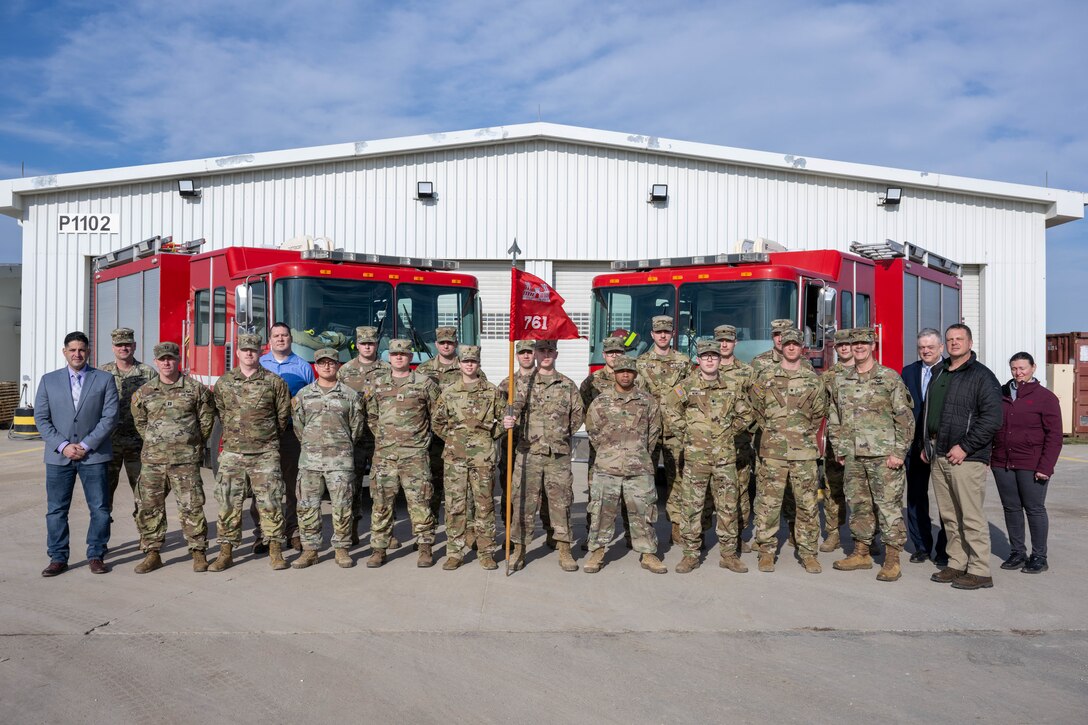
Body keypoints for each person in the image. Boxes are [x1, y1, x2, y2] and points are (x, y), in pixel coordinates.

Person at [828, 328, 915, 582]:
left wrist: (899, 452)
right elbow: (835, 416)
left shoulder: (889, 378)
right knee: (858, 505)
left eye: (864, 343)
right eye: (855, 344)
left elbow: (905, 418)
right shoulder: (842, 381)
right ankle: (862, 552)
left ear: (873, 345)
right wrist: (840, 448)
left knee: (888, 507)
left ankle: (892, 559)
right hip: (853, 455)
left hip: (883, 456)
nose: (858, 348)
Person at [923, 324, 1003, 590]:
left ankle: (980, 570)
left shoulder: (982, 376)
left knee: (970, 516)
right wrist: (927, 443)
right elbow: (930, 412)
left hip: (965, 458)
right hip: (939, 453)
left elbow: (992, 419)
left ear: (969, 342)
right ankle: (957, 563)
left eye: (960, 339)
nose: (955, 343)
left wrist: (966, 447)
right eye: (950, 339)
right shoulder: (940, 372)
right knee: (949, 516)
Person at [35, 331, 120, 576]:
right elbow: (41, 418)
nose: (77, 354)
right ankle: (58, 557)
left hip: (93, 456)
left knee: (100, 509)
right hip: (58, 456)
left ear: (88, 352)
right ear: (64, 352)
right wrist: (63, 445)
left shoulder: (103, 379)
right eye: (72, 350)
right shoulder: (48, 381)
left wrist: (86, 444)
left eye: (81, 349)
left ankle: (96, 554)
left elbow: (110, 417)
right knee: (56, 510)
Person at [665, 340, 752, 574]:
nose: (710, 360)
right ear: (698, 360)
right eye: (705, 356)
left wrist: (728, 432)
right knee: (692, 506)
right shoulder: (687, 385)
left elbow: (746, 414)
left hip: (724, 458)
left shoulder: (731, 387)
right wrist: (687, 433)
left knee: (727, 506)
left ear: (719, 359)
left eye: (714, 356)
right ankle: (690, 555)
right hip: (696, 458)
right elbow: (670, 409)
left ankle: (728, 554)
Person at [129, 342, 217, 573]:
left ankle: (198, 552)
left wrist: (188, 444)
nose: (166, 362)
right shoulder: (144, 392)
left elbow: (205, 422)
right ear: (156, 362)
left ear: (179, 360)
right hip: (153, 461)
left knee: (192, 507)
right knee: (149, 507)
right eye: (162, 359)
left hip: (185, 461)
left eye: (171, 358)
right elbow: (140, 423)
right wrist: (158, 442)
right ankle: (152, 552)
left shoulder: (195, 390)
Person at [209, 333, 292, 571]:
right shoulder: (224, 383)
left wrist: (263, 437)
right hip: (233, 453)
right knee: (228, 503)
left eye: (253, 350)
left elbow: (282, 417)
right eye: (244, 350)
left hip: (265, 453)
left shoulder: (274, 382)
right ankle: (226, 552)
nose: (249, 354)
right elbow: (221, 414)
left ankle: (275, 550)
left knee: (271, 503)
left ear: (260, 353)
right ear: (237, 353)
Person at [748, 328, 827, 573]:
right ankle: (766, 552)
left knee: (807, 505)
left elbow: (818, 414)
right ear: (781, 346)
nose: (791, 348)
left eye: (796, 344)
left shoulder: (813, 379)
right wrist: (775, 432)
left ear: (802, 347)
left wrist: (798, 433)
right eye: (787, 344)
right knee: (768, 504)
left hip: (803, 452)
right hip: (772, 452)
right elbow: (757, 410)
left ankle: (808, 553)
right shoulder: (765, 377)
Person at [502, 339, 585, 572]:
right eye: (542, 350)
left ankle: (564, 549)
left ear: (556, 354)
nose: (546, 354)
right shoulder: (521, 384)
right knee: (522, 503)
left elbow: (578, 414)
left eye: (550, 350)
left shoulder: (567, 385)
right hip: (528, 454)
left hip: (557, 456)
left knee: (561, 503)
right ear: (535, 354)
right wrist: (509, 421)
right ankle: (519, 549)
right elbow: (508, 411)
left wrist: (560, 436)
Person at [583, 357, 666, 574]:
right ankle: (597, 551)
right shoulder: (601, 402)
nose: (625, 374)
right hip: (607, 467)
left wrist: (638, 454)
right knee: (602, 511)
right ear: (614, 374)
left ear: (636, 374)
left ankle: (648, 553)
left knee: (644, 511)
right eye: (621, 371)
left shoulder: (647, 401)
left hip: (638, 467)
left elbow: (654, 432)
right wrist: (609, 452)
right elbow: (593, 431)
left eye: (629, 371)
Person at [365, 338, 440, 568]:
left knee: (420, 501)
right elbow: (372, 417)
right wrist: (386, 439)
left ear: (410, 357)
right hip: (385, 455)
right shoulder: (377, 384)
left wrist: (420, 441)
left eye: (404, 354)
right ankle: (379, 548)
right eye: (395, 354)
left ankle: (425, 547)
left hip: (415, 455)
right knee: (381, 503)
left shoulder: (425, 383)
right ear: (389, 357)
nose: (399, 357)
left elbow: (436, 415)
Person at [291, 348, 365, 569]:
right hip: (310, 461)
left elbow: (356, 429)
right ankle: (310, 550)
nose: (327, 366)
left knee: (342, 506)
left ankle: (341, 549)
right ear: (315, 366)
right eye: (322, 363)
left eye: (331, 363)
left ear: (338, 365)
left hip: (340, 462)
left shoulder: (350, 395)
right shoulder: (304, 395)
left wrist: (340, 446)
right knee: (307, 506)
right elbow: (298, 427)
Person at [432, 345, 504, 570]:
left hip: (483, 458)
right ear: (460, 364)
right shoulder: (450, 392)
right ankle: (455, 552)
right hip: (455, 458)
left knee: (484, 506)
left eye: (473, 361)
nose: (469, 364)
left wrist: (487, 436)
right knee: (455, 506)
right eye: (465, 361)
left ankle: (486, 551)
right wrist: (455, 439)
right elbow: (438, 422)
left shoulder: (492, 392)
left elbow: (503, 420)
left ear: (478, 364)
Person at [991, 352, 1062, 574]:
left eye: (1022, 368)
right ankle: (1017, 553)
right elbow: (991, 425)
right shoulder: (1001, 394)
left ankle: (1039, 556)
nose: (1018, 372)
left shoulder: (1045, 398)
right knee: (1011, 508)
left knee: (1034, 509)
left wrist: (1046, 467)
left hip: (1032, 463)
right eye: (1014, 368)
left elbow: (1054, 436)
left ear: (1033, 368)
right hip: (1003, 462)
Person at [257, 321, 315, 553]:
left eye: (285, 335)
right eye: (276, 335)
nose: (281, 339)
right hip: (264, 436)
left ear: (291, 339)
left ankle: (293, 532)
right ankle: (263, 534)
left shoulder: (303, 367)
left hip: (291, 435)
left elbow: (310, 402)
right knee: (263, 488)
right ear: (270, 340)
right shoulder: (259, 364)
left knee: (293, 487)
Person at [635, 315, 692, 542]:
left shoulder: (683, 361)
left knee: (677, 479)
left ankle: (676, 527)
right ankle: (644, 530)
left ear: (672, 334)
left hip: (675, 430)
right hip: (649, 430)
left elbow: (690, 392)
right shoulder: (641, 362)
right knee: (645, 480)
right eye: (658, 332)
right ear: (652, 335)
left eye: (666, 332)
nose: (662, 335)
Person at [337, 325, 395, 547]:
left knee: (383, 487)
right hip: (355, 439)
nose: (367, 347)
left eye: (371, 343)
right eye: (363, 343)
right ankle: (351, 529)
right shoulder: (345, 371)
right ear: (357, 345)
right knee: (351, 487)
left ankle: (385, 534)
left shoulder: (387, 369)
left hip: (381, 438)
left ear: (376, 345)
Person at [901, 328, 949, 564]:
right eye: (922, 347)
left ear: (941, 348)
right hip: (915, 447)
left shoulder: (951, 371)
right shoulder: (908, 372)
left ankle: (944, 549)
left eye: (931, 347)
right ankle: (921, 546)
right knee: (916, 497)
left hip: (942, 447)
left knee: (946, 501)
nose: (926, 351)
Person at [580, 335, 631, 549]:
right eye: (611, 353)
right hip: (601, 449)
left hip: (629, 448)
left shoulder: (633, 378)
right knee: (597, 495)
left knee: (630, 494)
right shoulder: (592, 381)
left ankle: (632, 535)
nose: (614, 356)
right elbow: (583, 411)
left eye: (618, 352)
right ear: (604, 355)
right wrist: (598, 438)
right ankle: (593, 537)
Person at [100, 327, 156, 519]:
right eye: (119, 345)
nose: (123, 348)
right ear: (113, 347)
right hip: (109, 444)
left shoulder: (148, 373)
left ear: (134, 346)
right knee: (103, 495)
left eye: (127, 344)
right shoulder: (102, 372)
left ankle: (147, 539)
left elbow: (157, 407)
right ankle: (101, 540)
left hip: (138, 444)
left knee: (144, 495)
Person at [715, 324, 754, 552]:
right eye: (720, 340)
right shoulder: (705, 369)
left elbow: (757, 405)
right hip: (710, 445)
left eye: (728, 340)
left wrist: (749, 430)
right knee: (710, 494)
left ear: (735, 343)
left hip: (738, 443)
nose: (724, 344)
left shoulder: (747, 372)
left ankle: (738, 534)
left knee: (739, 491)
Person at [498, 340, 539, 538]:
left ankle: (549, 531)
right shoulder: (507, 384)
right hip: (512, 445)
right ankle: (510, 532)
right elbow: (497, 413)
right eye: (522, 352)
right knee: (510, 490)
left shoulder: (544, 380)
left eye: (529, 352)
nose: (526, 356)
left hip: (538, 446)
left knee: (543, 492)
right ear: (517, 356)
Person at [818, 328, 855, 553]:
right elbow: (820, 409)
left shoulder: (871, 373)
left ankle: (869, 537)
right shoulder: (828, 377)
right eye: (840, 346)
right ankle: (834, 534)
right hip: (835, 444)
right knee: (833, 490)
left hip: (865, 445)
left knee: (867, 493)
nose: (844, 349)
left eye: (848, 345)